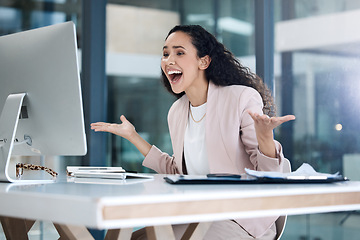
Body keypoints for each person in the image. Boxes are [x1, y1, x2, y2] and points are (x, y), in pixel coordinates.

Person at [91, 25, 295, 240]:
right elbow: (177, 170)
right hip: (198, 214)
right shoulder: (177, 112)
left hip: (240, 218)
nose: (169, 60)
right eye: (165, 53)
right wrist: (133, 136)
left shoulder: (241, 97)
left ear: (203, 61)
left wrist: (265, 138)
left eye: (179, 52)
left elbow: (269, 177)